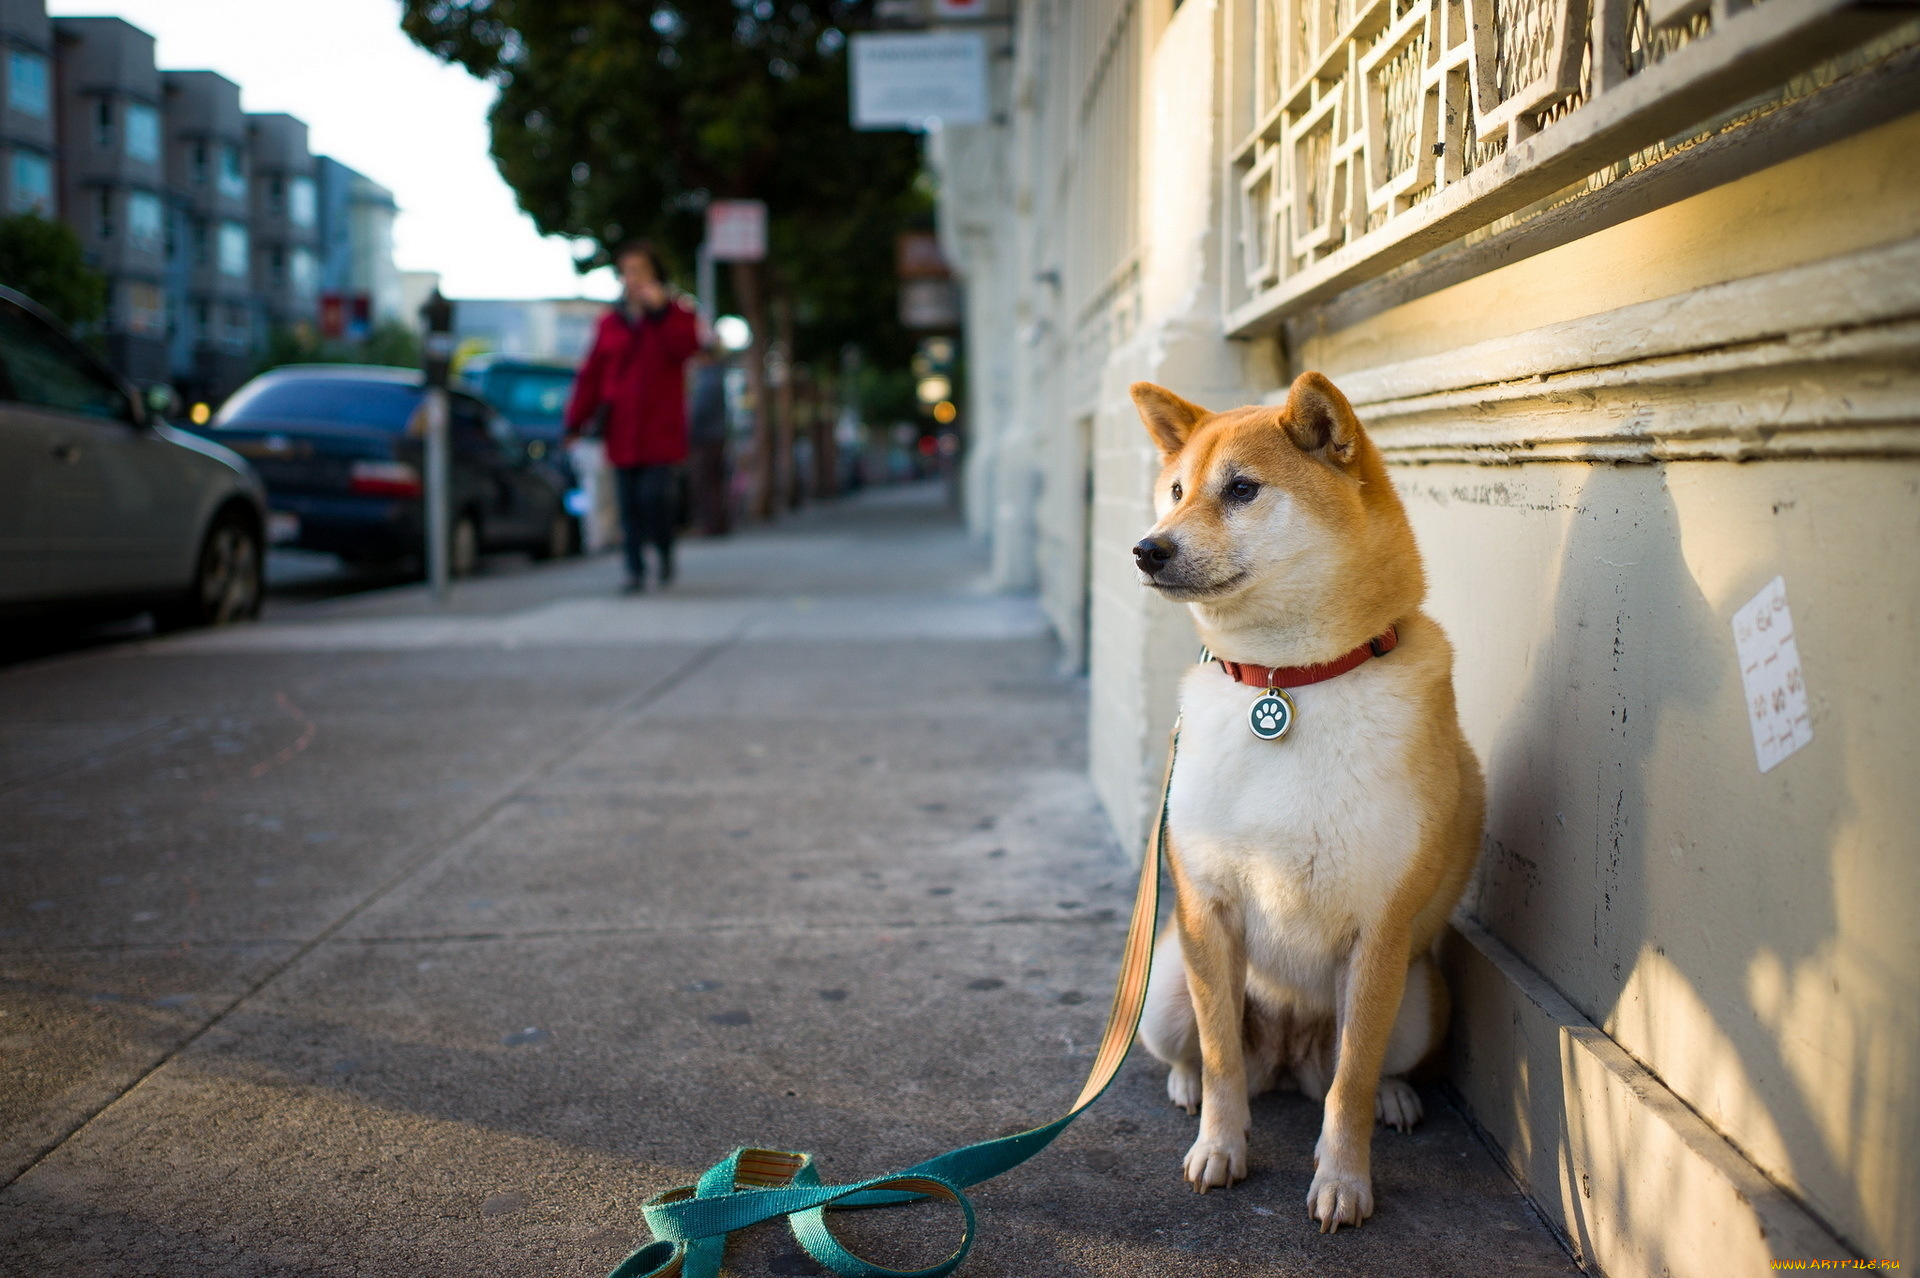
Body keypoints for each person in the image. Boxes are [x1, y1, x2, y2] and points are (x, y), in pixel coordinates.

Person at [563, 240, 701, 592]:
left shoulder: (677, 315)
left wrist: (660, 314)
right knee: (627, 504)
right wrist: (575, 421)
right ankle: (634, 569)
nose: (633, 279)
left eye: (640, 271)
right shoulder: (611, 323)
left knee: (654, 498)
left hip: (660, 428)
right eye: (627, 272)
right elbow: (591, 374)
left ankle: (665, 549)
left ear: (656, 275)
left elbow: (687, 348)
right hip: (622, 429)